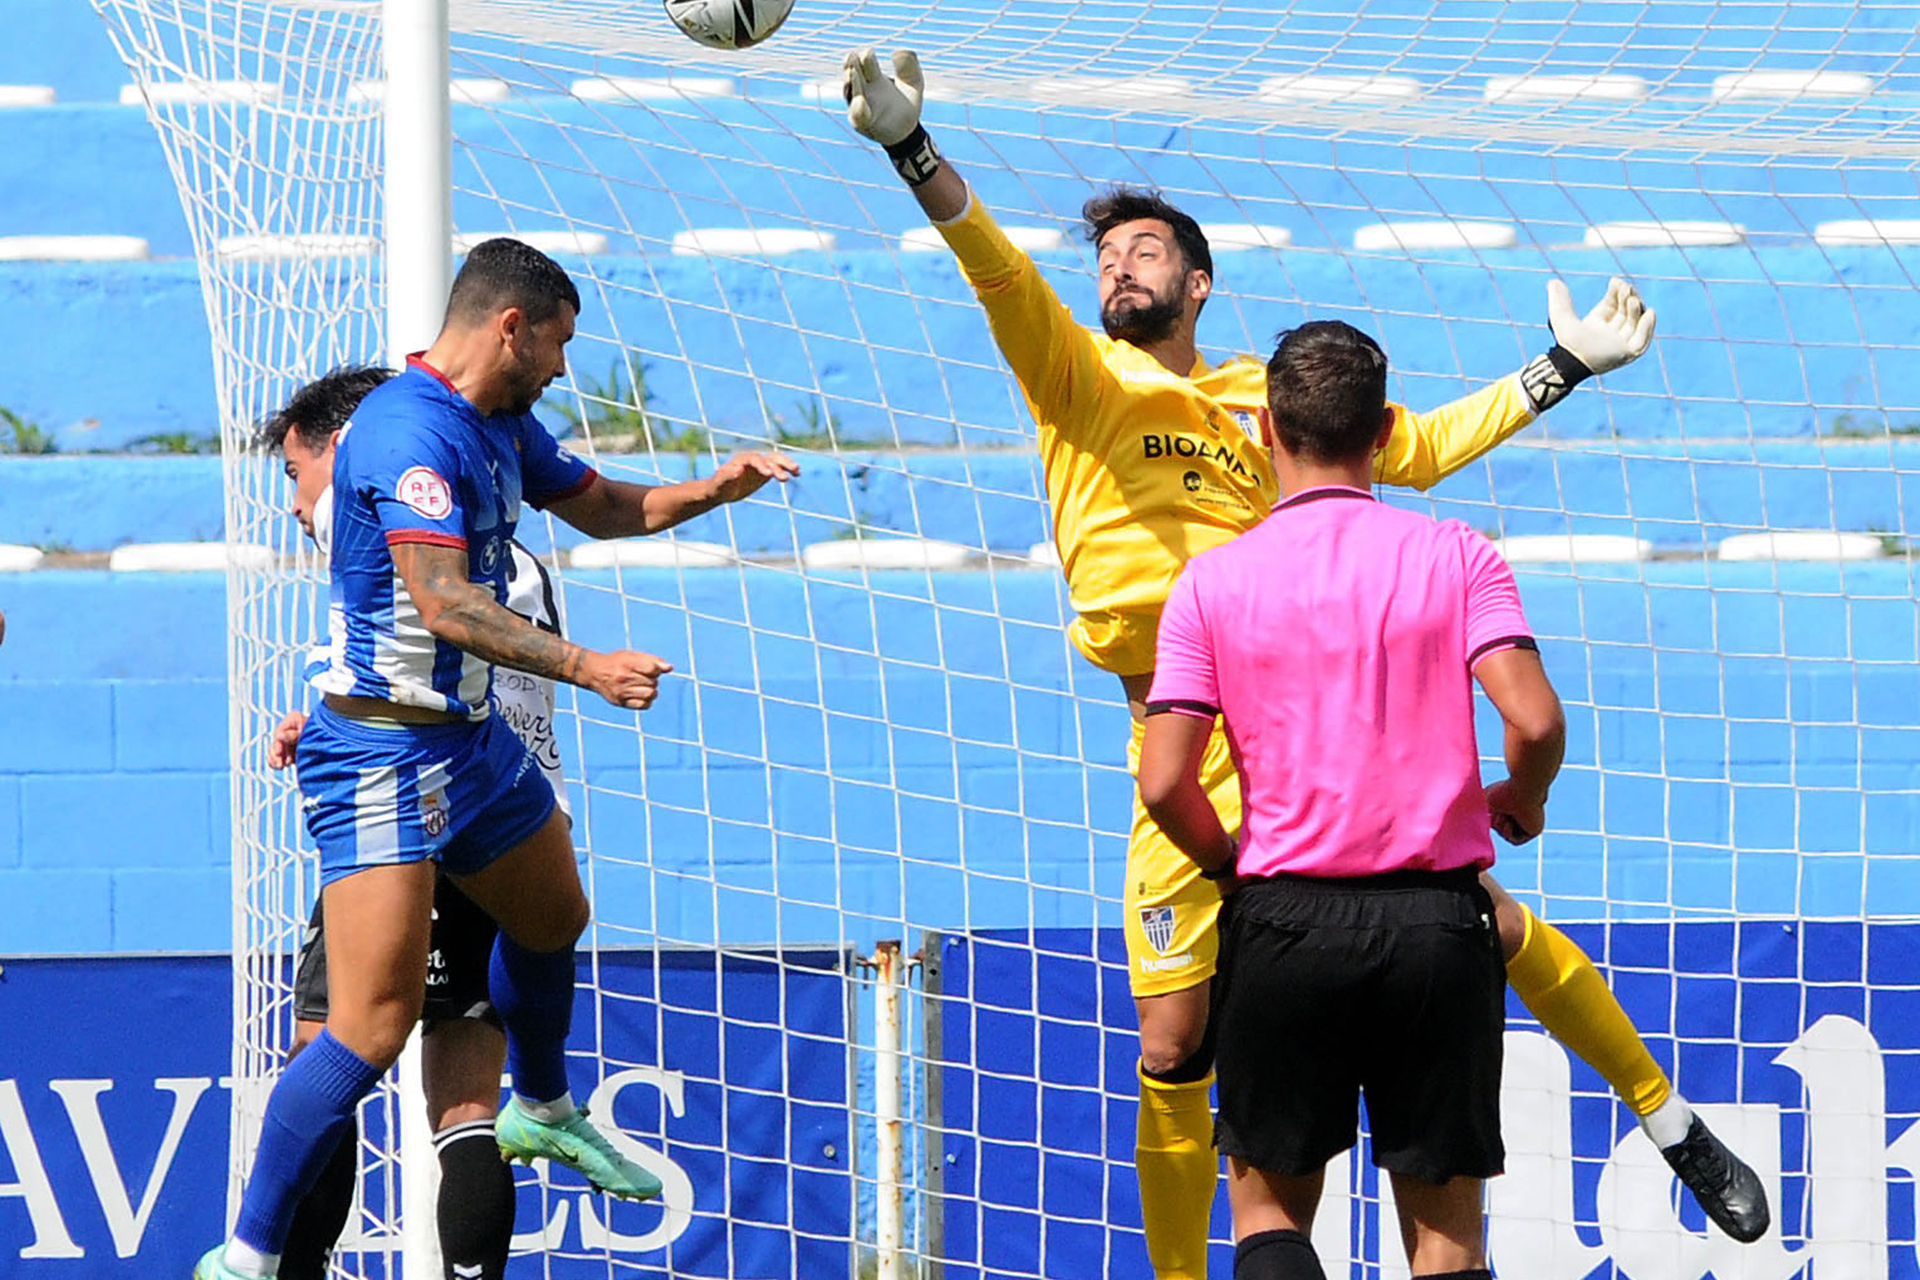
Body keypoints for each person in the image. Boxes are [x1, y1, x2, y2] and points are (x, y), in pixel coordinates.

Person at [841, 48, 1766, 1277]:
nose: (1119, 262)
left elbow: (1414, 442)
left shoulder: (1257, 404)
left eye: (1147, 247)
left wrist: (1565, 366)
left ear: (1200, 280)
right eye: (1108, 252)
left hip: (1291, 725)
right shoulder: (1073, 371)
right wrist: (914, 150)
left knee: (1481, 919)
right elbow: (996, 269)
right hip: (1171, 737)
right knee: (1172, 1042)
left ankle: (1670, 1117)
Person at [197, 237, 800, 1280]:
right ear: (510, 325)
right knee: (366, 1030)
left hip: (466, 739)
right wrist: (587, 665)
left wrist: (716, 488)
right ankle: (246, 1256)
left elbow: (606, 507)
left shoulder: (498, 421)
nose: (566, 366)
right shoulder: (407, 433)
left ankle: (546, 1106)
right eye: (560, 342)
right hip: (381, 749)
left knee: (554, 912)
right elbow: (445, 602)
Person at [1137, 319, 1563, 1280]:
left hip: (1285, 919)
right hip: (1436, 926)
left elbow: (1164, 779)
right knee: (1446, 1241)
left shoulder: (1210, 583)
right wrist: (1520, 798)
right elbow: (1533, 722)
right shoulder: (1457, 554)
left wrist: (1227, 866)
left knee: (1269, 1219)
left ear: (1264, 432)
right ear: (1381, 436)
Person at [260, 366, 574, 1280]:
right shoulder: (509, 551)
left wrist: (321, 726)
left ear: (346, 445)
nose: (295, 501)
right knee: (467, 1102)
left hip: (398, 813)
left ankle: (273, 1264)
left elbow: (389, 685)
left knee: (331, 1057)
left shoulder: (388, 551)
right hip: (507, 830)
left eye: (294, 471)